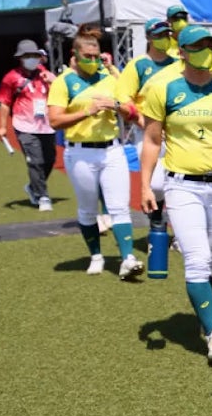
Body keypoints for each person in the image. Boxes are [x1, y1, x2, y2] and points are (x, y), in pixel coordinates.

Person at [139, 25, 212, 365]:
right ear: (181, 51)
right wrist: (144, 184)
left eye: (209, 45)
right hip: (182, 186)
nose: (204, 50)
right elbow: (153, 141)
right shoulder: (164, 89)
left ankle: (208, 316)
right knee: (197, 258)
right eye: (196, 46)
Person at [47, 27, 144, 280]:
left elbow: (132, 112)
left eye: (96, 55)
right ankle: (96, 256)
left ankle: (127, 258)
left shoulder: (111, 78)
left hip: (112, 150)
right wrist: (86, 112)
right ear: (75, 55)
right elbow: (55, 121)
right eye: (87, 56)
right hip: (80, 153)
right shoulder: (64, 81)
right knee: (88, 209)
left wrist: (116, 105)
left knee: (119, 206)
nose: (92, 60)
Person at [116, 18, 178, 233]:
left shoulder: (176, 63)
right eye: (159, 35)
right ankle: (157, 219)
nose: (164, 39)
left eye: (167, 35)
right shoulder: (139, 65)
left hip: (175, 131)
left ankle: (177, 229)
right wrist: (142, 121)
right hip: (148, 132)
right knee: (156, 183)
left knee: (179, 181)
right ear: (149, 37)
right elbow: (123, 100)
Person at [0, 39, 56, 212]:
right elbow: (4, 103)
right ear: (20, 58)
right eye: (28, 56)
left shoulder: (44, 73)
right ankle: (42, 196)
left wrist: (52, 81)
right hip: (24, 125)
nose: (32, 59)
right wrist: (2, 126)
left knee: (49, 159)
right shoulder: (11, 78)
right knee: (35, 161)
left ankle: (33, 186)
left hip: (45, 125)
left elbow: (58, 94)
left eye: (35, 56)